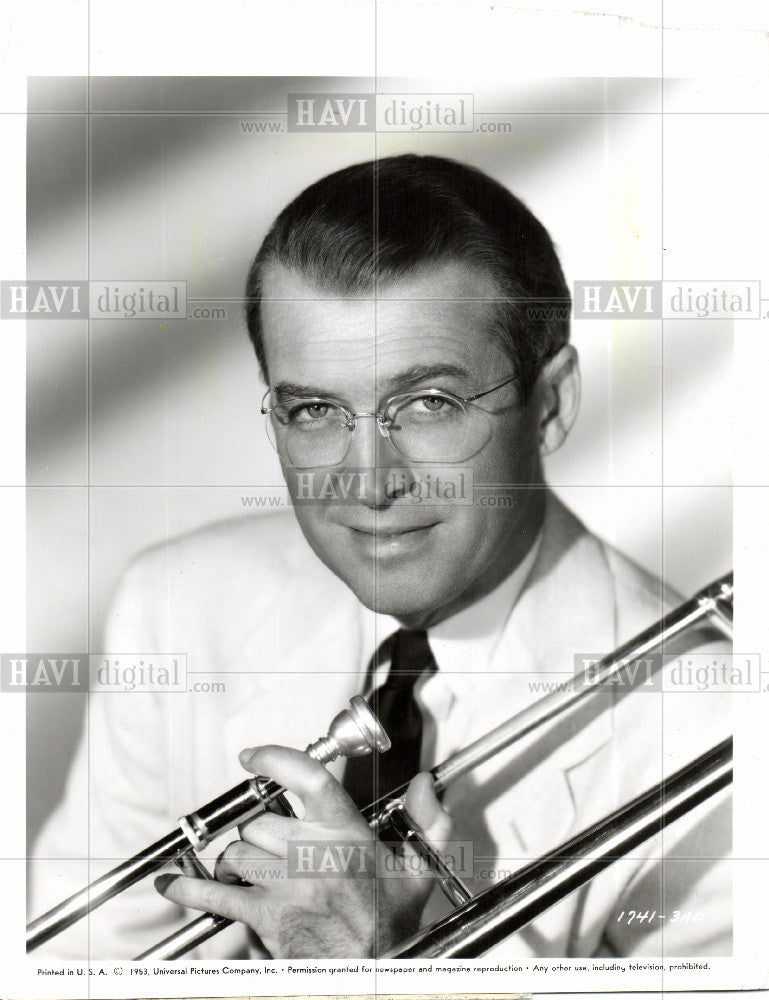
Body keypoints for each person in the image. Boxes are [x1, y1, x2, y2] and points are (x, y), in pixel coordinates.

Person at [29, 154, 731, 960]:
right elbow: (74, 966)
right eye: (315, 409)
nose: (367, 481)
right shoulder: (175, 604)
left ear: (551, 405)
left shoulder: (718, 736)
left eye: (428, 403)